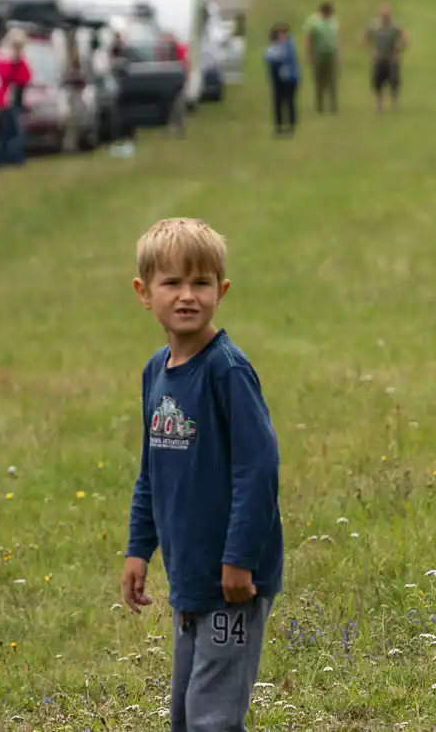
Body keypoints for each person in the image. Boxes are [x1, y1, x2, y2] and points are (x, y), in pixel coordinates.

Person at [121, 218, 283, 732]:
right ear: (144, 293)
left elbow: (258, 470)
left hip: (233, 581)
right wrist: (137, 549)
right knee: (186, 715)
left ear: (222, 290)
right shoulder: (156, 372)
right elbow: (152, 472)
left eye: (201, 283)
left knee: (212, 716)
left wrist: (240, 560)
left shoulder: (226, 371)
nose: (187, 295)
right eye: (172, 283)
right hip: (190, 575)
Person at [0, 27, 33, 167]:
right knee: (7, 132)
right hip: (4, 101)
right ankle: (5, 159)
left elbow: (26, 77)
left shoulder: (19, 59)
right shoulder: (3, 56)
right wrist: (14, 63)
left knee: (14, 131)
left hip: (15, 100)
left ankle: (14, 159)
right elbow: (4, 76)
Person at [365, 3, 409, 112]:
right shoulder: (374, 25)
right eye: (383, 15)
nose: (385, 17)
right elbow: (365, 37)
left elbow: (405, 38)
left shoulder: (395, 26)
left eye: (387, 15)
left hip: (391, 59)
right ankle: (379, 105)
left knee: (394, 82)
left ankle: (395, 104)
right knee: (378, 83)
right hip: (379, 58)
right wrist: (371, 51)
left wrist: (398, 50)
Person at [299, 1, 339, 115]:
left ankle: (333, 106)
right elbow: (308, 39)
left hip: (330, 56)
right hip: (319, 56)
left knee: (332, 82)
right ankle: (319, 106)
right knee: (319, 82)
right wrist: (309, 55)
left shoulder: (333, 22)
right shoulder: (314, 23)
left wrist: (338, 54)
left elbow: (336, 38)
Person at [262, 23, 300, 137]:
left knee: (289, 102)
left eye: (283, 33)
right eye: (279, 34)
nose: (282, 36)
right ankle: (278, 126)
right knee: (277, 102)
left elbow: (284, 57)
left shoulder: (289, 45)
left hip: (290, 78)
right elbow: (267, 57)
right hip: (277, 79)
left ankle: (290, 126)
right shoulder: (274, 46)